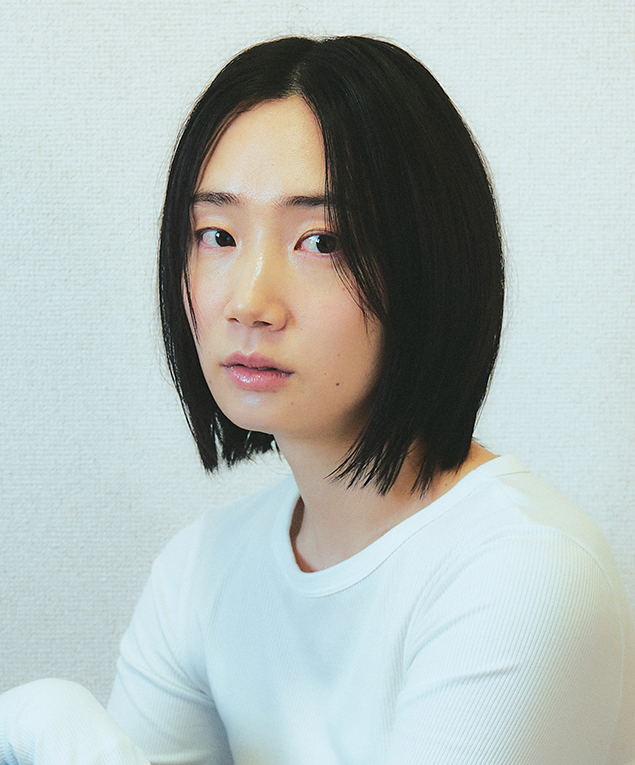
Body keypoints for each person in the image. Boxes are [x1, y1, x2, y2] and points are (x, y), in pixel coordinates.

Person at [1, 35, 634, 765]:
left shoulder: (524, 572)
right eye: (217, 235)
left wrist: (56, 728)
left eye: (321, 241)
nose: (249, 301)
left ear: (428, 263)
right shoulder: (202, 569)